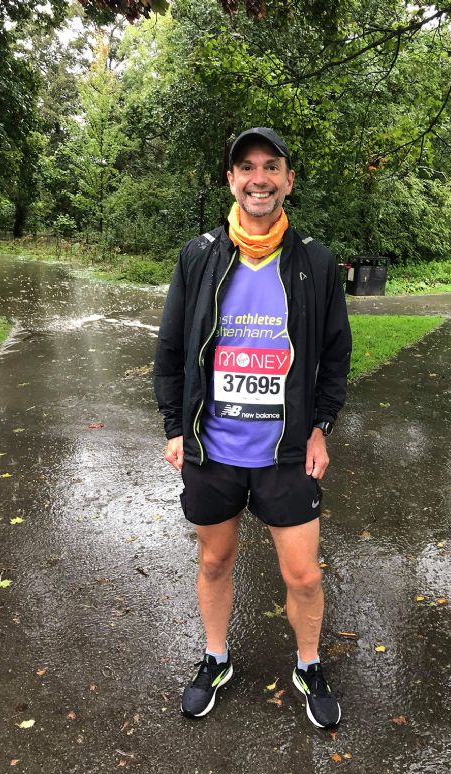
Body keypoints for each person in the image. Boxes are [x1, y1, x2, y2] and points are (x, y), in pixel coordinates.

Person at [153, 127, 351, 729]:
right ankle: (216, 659)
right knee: (214, 562)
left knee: (304, 573)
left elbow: (336, 352)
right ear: (231, 180)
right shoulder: (200, 255)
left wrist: (320, 425)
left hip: (286, 453)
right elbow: (171, 350)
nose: (258, 177)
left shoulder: (314, 261)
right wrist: (174, 425)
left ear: (289, 180)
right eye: (246, 167)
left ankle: (309, 664)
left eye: (271, 167)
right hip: (213, 450)